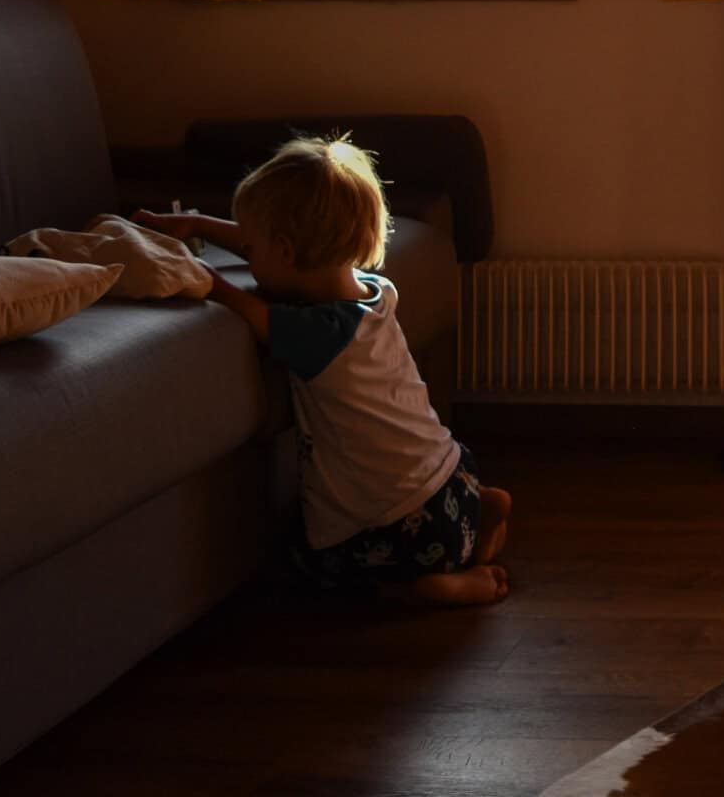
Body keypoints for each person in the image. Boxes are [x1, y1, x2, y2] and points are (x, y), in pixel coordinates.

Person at [137, 138, 512, 607]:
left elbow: (238, 303)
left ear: (286, 252)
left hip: (400, 527)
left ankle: (433, 587)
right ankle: (478, 522)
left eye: (252, 249)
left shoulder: (316, 333)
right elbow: (270, 245)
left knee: (313, 572)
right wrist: (195, 224)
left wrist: (195, 270)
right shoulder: (375, 292)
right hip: (452, 484)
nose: (247, 256)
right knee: (437, 522)